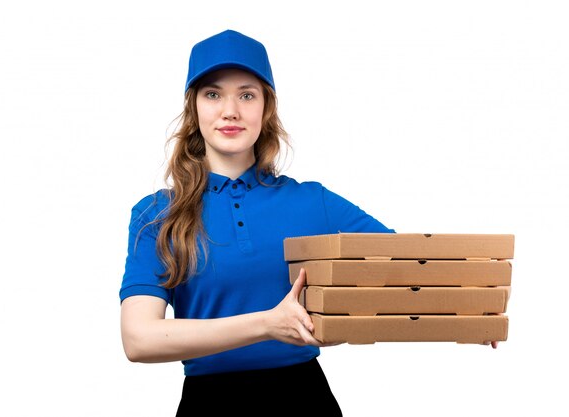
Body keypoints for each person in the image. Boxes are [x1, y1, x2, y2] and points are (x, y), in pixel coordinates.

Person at [120, 29, 393, 416]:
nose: (230, 110)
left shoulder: (312, 201)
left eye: (247, 94)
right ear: (193, 108)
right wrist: (268, 324)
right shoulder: (156, 215)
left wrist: (465, 317)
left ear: (266, 108)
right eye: (212, 94)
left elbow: (404, 270)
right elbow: (139, 339)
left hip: (304, 399)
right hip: (208, 404)